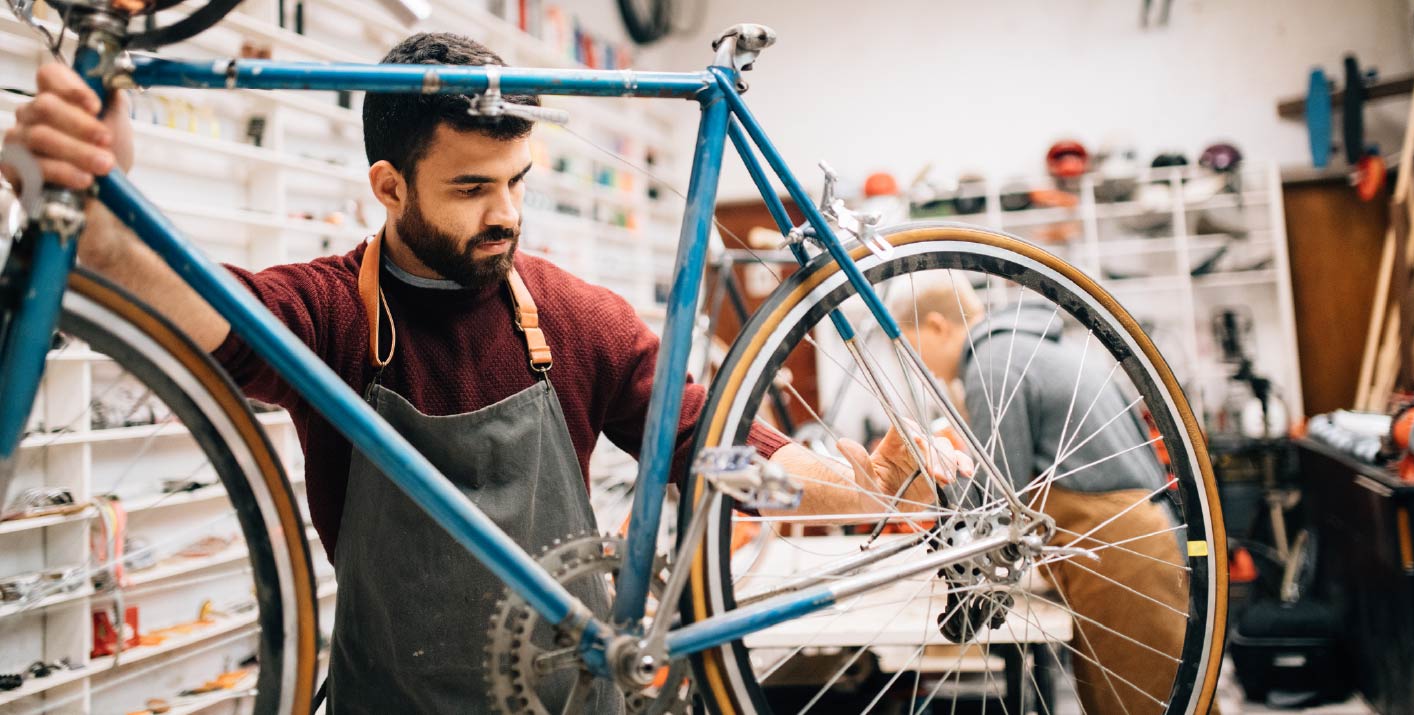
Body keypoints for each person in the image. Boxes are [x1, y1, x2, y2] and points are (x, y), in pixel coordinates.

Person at [2, 33, 966, 713]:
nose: (505, 213)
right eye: (471, 188)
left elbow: (706, 437)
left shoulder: (575, 316)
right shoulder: (336, 314)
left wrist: (870, 486)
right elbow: (203, 306)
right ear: (389, 185)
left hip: (569, 700)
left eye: (517, 183)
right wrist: (103, 218)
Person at [897, 275, 1194, 715]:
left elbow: (997, 502)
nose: (921, 367)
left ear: (939, 326)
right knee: (1151, 696)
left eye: (910, 346)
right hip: (1134, 539)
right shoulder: (1027, 346)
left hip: (1119, 548)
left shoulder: (991, 362)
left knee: (1145, 705)